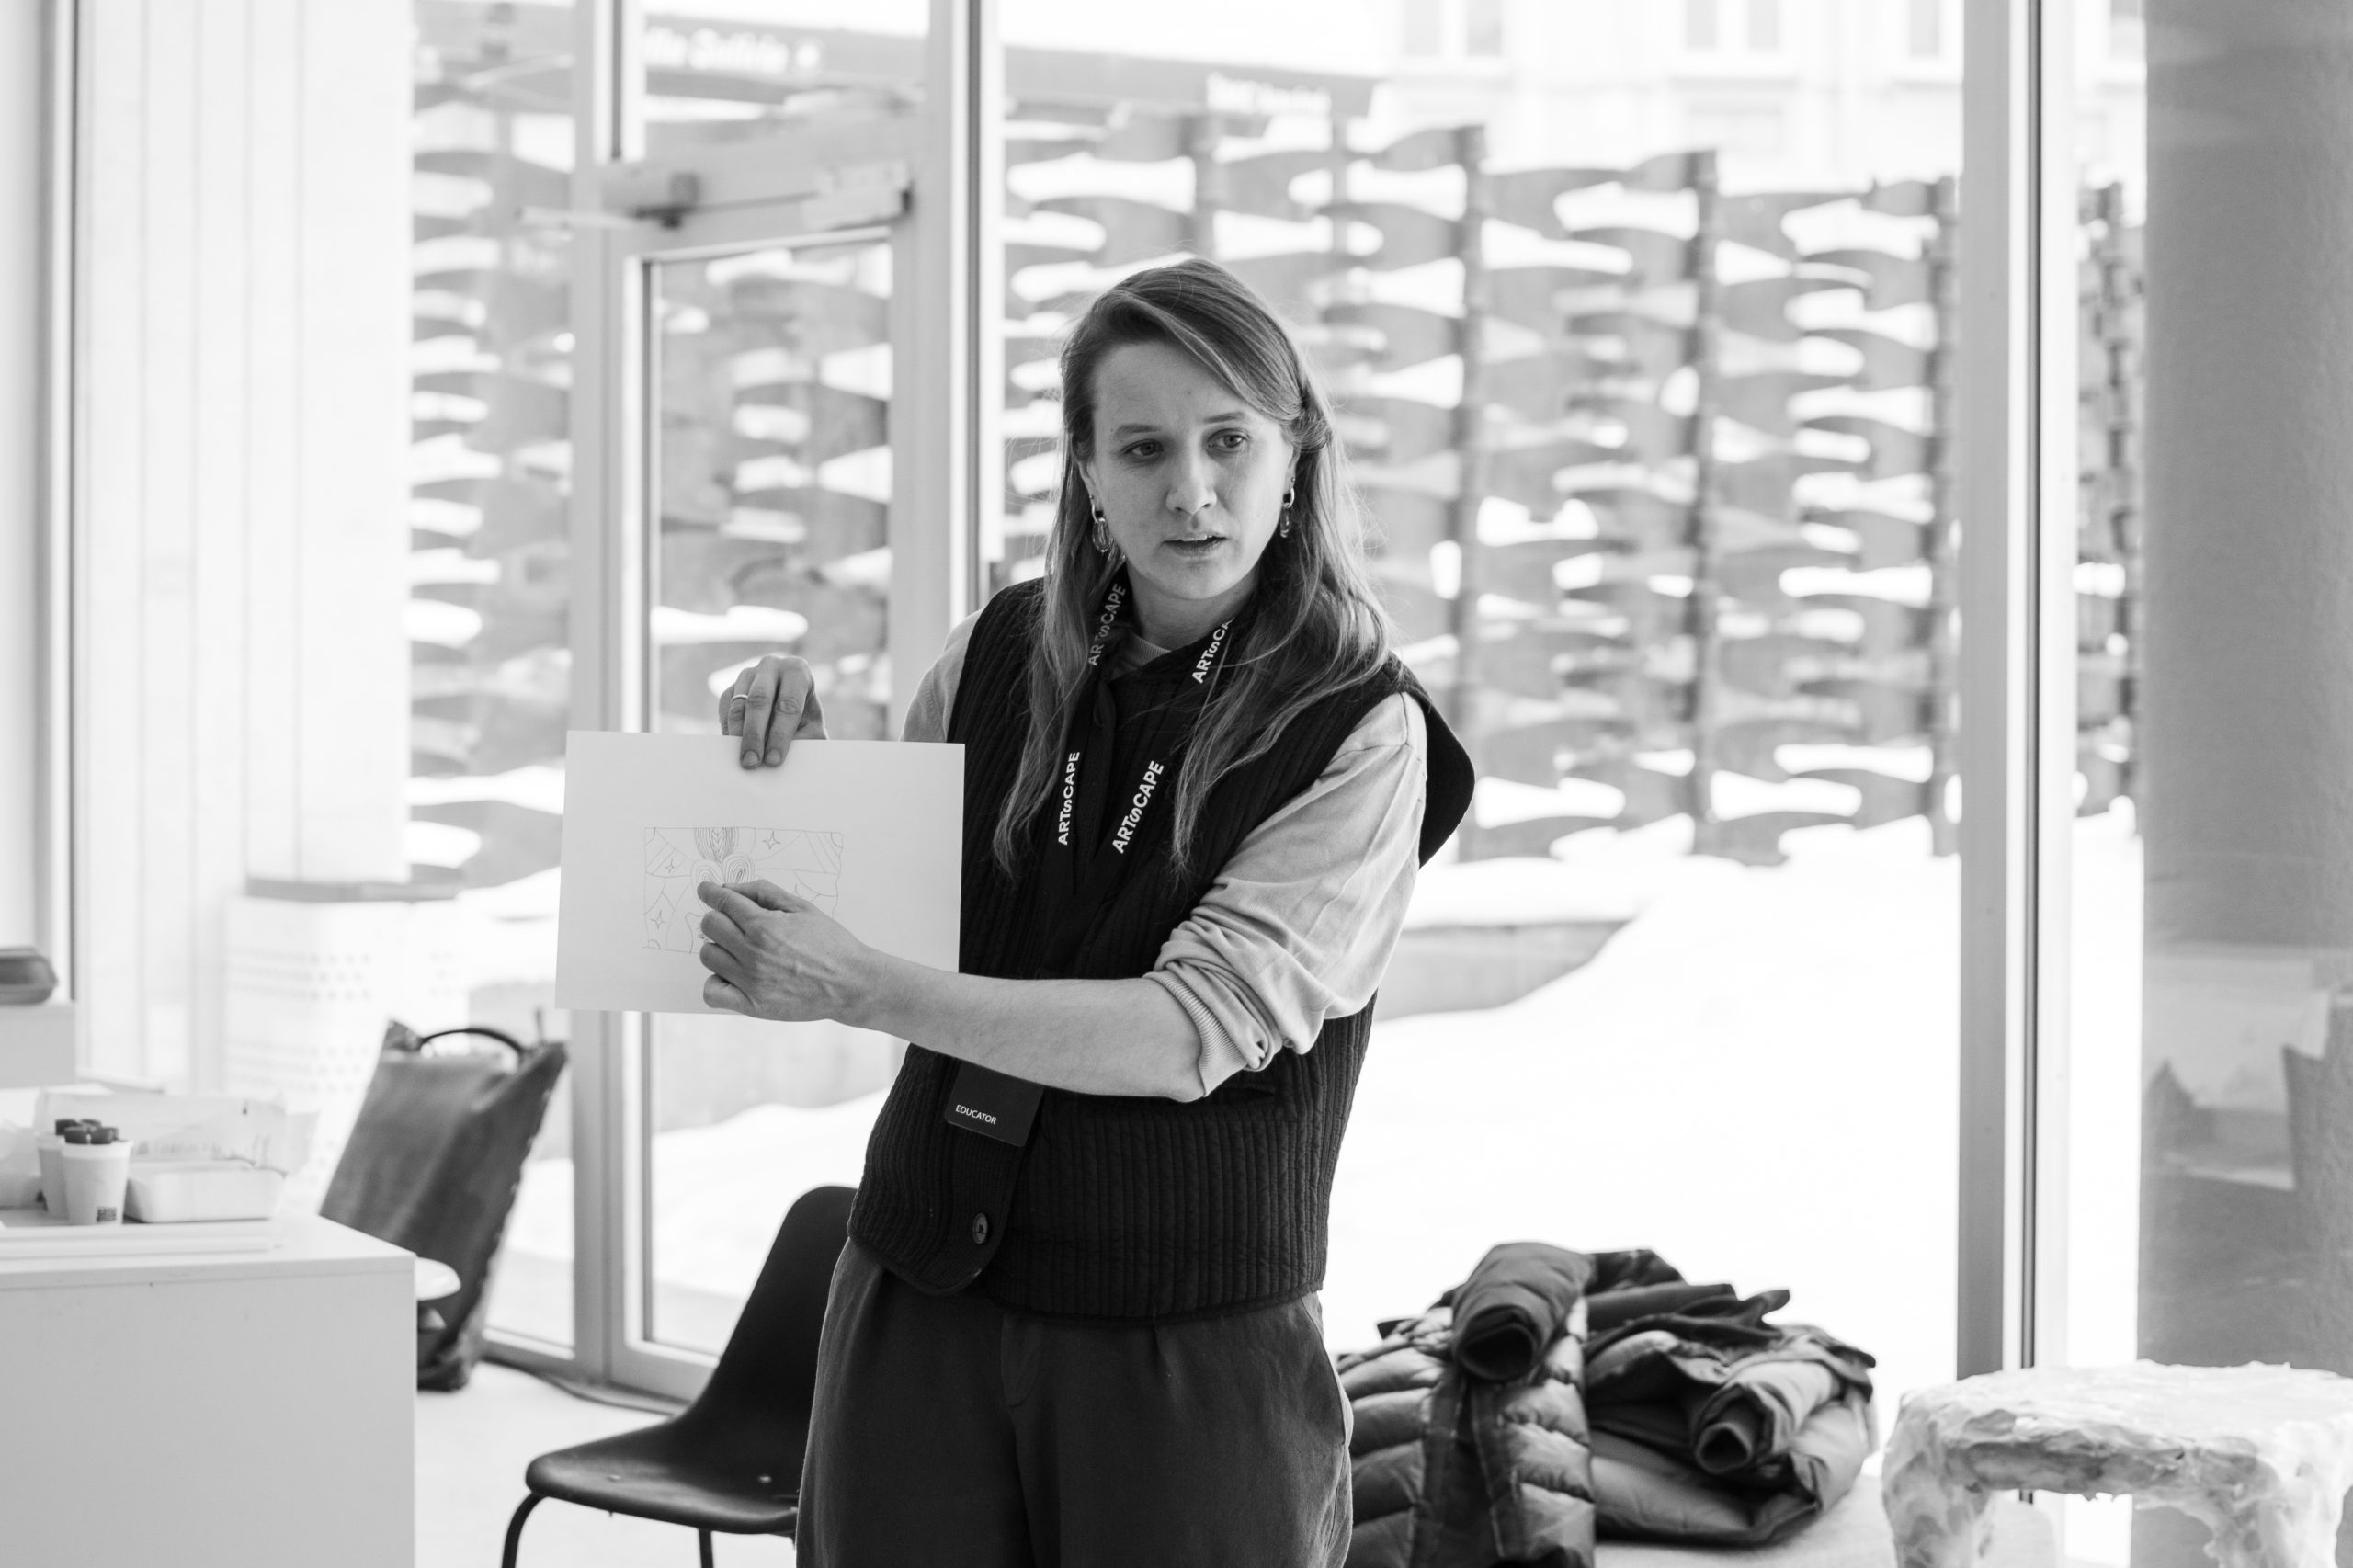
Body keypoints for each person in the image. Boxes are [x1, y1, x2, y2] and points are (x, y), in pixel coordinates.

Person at [698, 256, 1472, 1567]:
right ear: (1088, 473)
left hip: (1181, 1348)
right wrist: (792, 772)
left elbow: (1187, 1033)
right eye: (1144, 447)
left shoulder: (1360, 727)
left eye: (1230, 440)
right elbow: (888, 913)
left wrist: (862, 985)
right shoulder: (998, 649)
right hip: (918, 1292)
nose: (1192, 490)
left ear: (1295, 455)